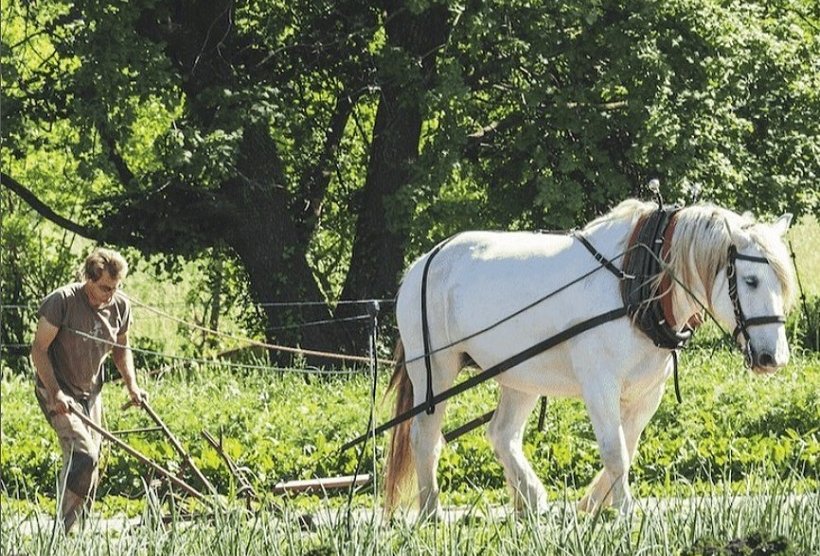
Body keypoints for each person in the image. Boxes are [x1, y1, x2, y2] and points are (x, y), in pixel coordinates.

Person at [31, 247, 147, 532]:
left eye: (116, 287)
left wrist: (132, 385)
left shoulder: (120, 306)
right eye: (105, 288)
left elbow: (121, 348)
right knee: (84, 456)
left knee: (94, 460)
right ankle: (65, 530)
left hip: (90, 392)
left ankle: (80, 529)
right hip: (57, 388)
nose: (111, 294)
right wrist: (56, 392)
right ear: (89, 279)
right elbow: (38, 350)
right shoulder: (62, 301)